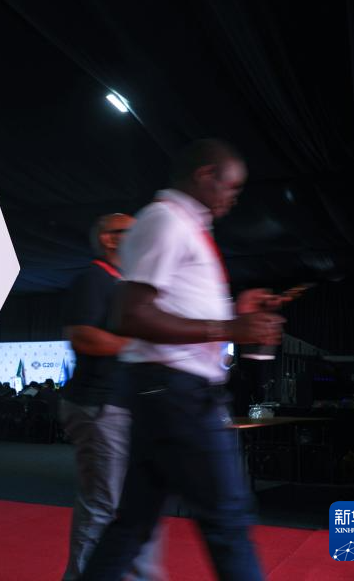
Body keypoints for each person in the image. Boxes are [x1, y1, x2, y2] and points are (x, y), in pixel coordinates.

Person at [79, 139, 285, 581]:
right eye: (232, 186)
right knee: (227, 517)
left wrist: (236, 314)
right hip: (176, 392)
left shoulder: (185, 226)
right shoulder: (165, 220)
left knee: (133, 523)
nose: (234, 196)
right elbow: (130, 315)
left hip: (164, 389)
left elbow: (175, 309)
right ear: (206, 175)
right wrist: (229, 328)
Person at [59, 214, 164, 581]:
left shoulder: (125, 284)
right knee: (103, 505)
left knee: (135, 503)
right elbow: (83, 337)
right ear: (109, 239)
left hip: (123, 405)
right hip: (99, 405)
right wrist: (141, 343)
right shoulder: (94, 279)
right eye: (132, 232)